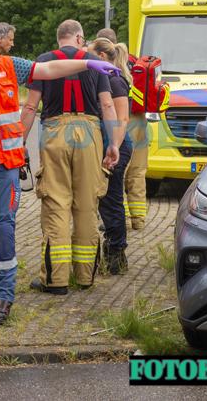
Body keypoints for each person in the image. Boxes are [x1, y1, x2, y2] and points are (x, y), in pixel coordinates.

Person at [0, 20, 119, 325]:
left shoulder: (7, 65)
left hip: (2, 161)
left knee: (3, 227)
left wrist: (88, 63)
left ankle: (4, 297)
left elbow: (48, 70)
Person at [21, 19, 121, 296]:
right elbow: (107, 104)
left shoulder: (43, 61)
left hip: (54, 132)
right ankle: (85, 276)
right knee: (87, 204)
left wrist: (19, 142)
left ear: (59, 38)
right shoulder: (94, 62)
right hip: (89, 132)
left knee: (56, 202)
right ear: (78, 38)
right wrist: (113, 143)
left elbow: (30, 107)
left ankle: (56, 280)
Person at [97, 28, 148, 230]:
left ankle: (117, 218)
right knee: (137, 171)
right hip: (140, 121)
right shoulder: (134, 61)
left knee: (116, 172)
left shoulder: (106, 67)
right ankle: (138, 219)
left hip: (121, 120)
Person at [90, 38, 132, 274]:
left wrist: (113, 146)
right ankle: (112, 252)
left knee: (111, 200)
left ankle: (116, 255)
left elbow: (122, 119)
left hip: (117, 147)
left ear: (102, 57)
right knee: (107, 200)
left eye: (91, 55)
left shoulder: (115, 81)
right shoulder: (106, 79)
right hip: (109, 145)